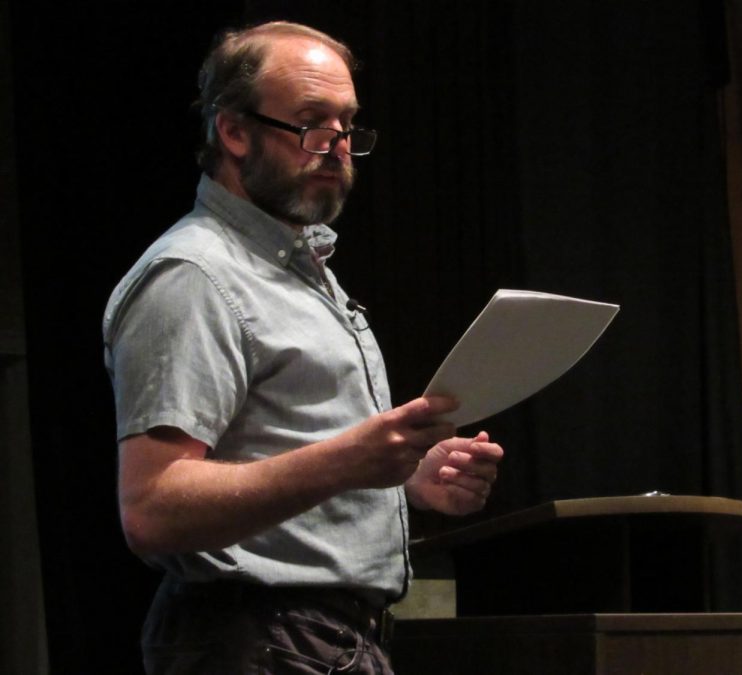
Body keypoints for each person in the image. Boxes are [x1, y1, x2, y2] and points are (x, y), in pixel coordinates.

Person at [102, 20, 503, 674]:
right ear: (234, 130)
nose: (337, 146)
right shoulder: (196, 277)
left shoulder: (298, 270)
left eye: (348, 126)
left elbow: (284, 455)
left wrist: (407, 480)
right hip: (256, 638)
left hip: (321, 638)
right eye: (313, 123)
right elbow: (152, 508)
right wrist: (349, 460)